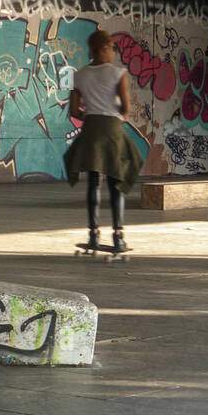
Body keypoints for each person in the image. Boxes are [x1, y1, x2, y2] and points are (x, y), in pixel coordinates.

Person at [63, 30, 144, 253]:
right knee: (116, 183)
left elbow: (73, 110)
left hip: (90, 130)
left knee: (93, 183)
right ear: (104, 48)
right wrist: (118, 116)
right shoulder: (118, 73)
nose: (114, 53)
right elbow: (126, 109)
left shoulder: (79, 75)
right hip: (112, 129)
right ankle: (118, 237)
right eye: (112, 49)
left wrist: (90, 116)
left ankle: (93, 236)